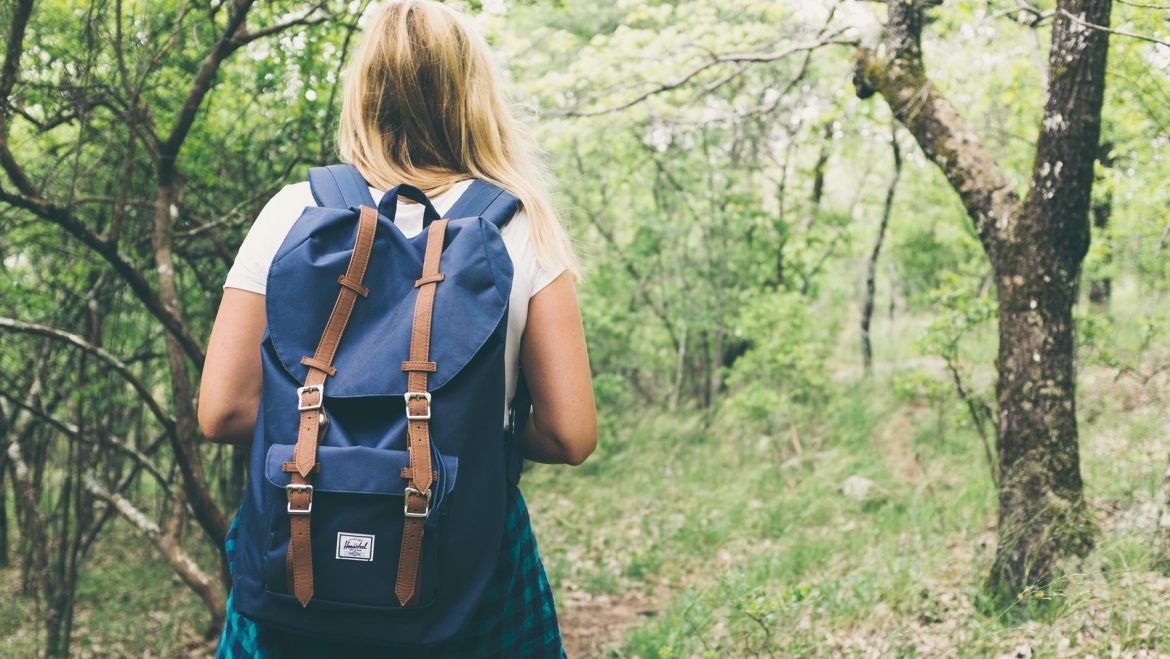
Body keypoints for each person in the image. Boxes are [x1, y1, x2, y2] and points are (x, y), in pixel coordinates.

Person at [197, 1, 597, 656]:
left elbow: (221, 410)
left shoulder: (291, 213)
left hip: (301, 559)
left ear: (364, 90)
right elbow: (570, 431)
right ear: (473, 93)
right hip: (462, 569)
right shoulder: (520, 228)